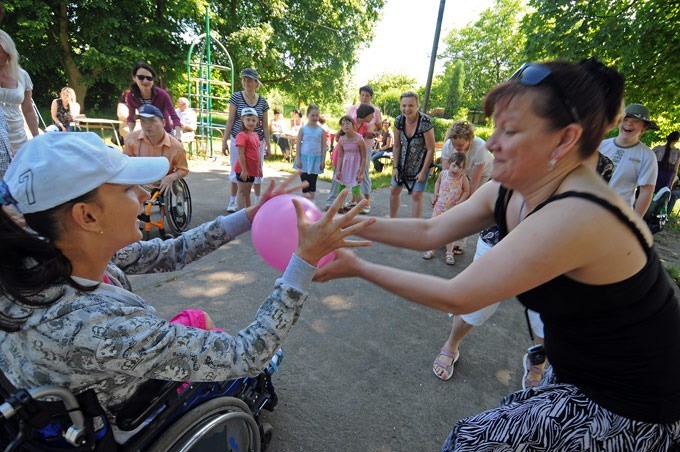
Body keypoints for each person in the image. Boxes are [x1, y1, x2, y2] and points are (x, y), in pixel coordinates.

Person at [316, 59, 680, 450]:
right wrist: (340, 226)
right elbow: (430, 231)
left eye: (510, 130)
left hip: (636, 402)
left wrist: (357, 266)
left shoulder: (581, 213)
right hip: (579, 371)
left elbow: (459, 296)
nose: (491, 143)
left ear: (564, 140)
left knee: (468, 443)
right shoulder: (514, 186)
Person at [0, 132, 372, 443]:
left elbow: (171, 252)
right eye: (129, 189)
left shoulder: (45, 259)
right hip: (133, 411)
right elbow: (247, 351)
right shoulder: (97, 328)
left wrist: (248, 216)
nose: (146, 196)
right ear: (87, 215)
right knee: (255, 359)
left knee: (199, 319)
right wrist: (304, 260)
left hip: (78, 402)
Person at [326, 85, 383, 213]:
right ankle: (334, 203)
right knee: (340, 175)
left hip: (363, 148)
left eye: (367, 95)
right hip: (346, 151)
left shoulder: (375, 110)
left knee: (361, 174)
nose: (364, 97)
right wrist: (339, 134)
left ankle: (362, 203)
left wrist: (374, 133)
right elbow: (344, 128)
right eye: (362, 94)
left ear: (371, 96)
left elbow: (378, 127)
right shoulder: (353, 110)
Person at [222, 68, 271, 212]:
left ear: (256, 83)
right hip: (239, 140)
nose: (246, 83)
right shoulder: (236, 97)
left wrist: (268, 144)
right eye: (244, 79)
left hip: (257, 141)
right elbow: (230, 120)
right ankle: (233, 201)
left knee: (256, 169)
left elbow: (265, 126)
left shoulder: (262, 101)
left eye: (249, 80)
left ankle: (256, 202)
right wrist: (224, 140)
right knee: (236, 169)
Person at [599, 103, 659, 217]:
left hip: (618, 215)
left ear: (644, 127)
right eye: (625, 118)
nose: (629, 123)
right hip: (587, 206)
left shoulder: (647, 156)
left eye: (636, 121)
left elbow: (646, 191)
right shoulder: (600, 145)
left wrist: (635, 222)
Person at [123, 104, 189, 197]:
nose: (147, 125)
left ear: (163, 122)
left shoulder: (176, 147)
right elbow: (125, 162)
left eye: (152, 121)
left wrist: (171, 177)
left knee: (175, 185)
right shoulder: (131, 139)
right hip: (138, 180)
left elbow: (183, 169)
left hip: (162, 182)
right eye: (143, 121)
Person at [390, 90, 435, 219]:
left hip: (421, 162)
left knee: (416, 195)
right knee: (394, 190)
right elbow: (397, 145)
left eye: (410, 105)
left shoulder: (425, 122)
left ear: (417, 106)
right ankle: (392, 221)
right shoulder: (399, 121)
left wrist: (423, 171)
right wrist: (395, 167)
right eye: (404, 105)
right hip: (402, 162)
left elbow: (431, 149)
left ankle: (415, 226)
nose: (407, 109)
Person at [422, 153, 470, 265]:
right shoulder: (443, 174)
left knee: (450, 232)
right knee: (435, 228)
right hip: (439, 206)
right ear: (448, 164)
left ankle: (449, 253)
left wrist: (460, 201)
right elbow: (437, 183)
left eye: (460, 167)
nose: (456, 169)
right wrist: (435, 193)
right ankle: (431, 249)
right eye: (454, 165)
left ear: (463, 168)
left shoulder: (463, 178)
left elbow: (466, 191)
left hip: (452, 209)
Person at [0, 29, 39, 154]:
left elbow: (28, 110)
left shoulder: (22, 75)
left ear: (8, 52)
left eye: (1, 51)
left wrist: (36, 137)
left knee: (18, 170)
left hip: (17, 135)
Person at [125, 61, 182, 138]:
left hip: (166, 133)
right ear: (134, 78)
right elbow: (131, 117)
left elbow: (174, 116)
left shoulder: (162, 94)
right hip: (147, 134)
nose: (145, 81)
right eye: (141, 77)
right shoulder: (131, 96)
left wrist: (178, 135)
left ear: (153, 81)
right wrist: (130, 133)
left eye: (149, 78)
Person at [440, 121, 493, 195]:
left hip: (483, 173)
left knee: (475, 195)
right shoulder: (448, 145)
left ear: (470, 140)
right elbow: (445, 175)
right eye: (454, 144)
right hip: (464, 169)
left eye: (460, 145)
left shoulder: (480, 147)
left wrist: (465, 202)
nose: (456, 148)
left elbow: (474, 182)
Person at [293, 104, 327, 200]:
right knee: (304, 183)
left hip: (316, 160)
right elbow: (298, 144)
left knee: (312, 183)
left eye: (317, 115)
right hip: (304, 159)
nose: (315, 117)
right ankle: (305, 203)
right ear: (307, 115)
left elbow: (324, 146)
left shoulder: (321, 131)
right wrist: (298, 158)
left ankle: (312, 203)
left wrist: (322, 161)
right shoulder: (303, 129)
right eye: (312, 115)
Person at [334, 115, 366, 210]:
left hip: (356, 167)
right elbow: (340, 156)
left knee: (355, 189)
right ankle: (339, 206)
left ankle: (361, 208)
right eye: (343, 124)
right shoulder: (341, 140)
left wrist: (361, 172)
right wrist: (338, 170)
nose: (345, 125)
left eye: (347, 123)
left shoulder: (359, 139)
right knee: (341, 187)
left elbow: (364, 158)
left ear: (353, 124)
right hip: (345, 166)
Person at [233, 107, 261, 209]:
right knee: (241, 191)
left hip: (252, 169)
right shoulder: (242, 135)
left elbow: (257, 152)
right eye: (248, 120)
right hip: (243, 169)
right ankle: (240, 213)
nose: (250, 122)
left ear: (257, 121)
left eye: (253, 120)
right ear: (242, 120)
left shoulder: (256, 135)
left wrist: (259, 168)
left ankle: (248, 212)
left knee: (248, 192)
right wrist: (244, 170)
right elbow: (241, 154)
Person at [652, 131, 680, 214]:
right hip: (667, 179)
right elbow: (675, 170)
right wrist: (671, 185)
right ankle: (656, 216)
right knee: (662, 198)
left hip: (655, 176)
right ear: (676, 141)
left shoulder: (657, 149)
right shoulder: (678, 153)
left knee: (650, 195)